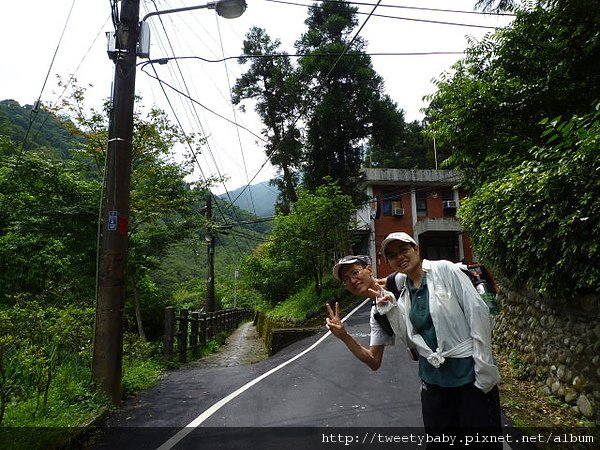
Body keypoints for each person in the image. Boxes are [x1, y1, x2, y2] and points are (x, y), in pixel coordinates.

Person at [327, 233, 502, 447]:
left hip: (469, 376)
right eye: (346, 279)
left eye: (355, 273)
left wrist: (484, 368)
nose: (352, 280)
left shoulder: (406, 278)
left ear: (369, 269)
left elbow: (478, 314)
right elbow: (374, 360)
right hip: (433, 381)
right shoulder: (379, 312)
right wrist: (344, 336)